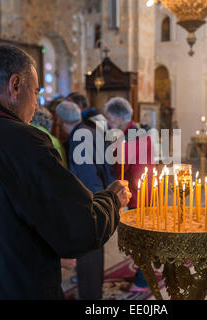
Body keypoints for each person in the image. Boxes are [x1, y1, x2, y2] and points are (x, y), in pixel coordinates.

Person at [0, 45, 131, 299]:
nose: (38, 104)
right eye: (36, 92)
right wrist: (112, 200)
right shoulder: (25, 143)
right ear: (15, 85)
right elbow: (82, 229)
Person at [55, 100, 116, 300]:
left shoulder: (79, 137)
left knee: (89, 253)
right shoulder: (91, 129)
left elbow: (85, 176)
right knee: (94, 252)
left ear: (62, 122)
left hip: (89, 201)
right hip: (101, 193)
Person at [104, 97, 156, 293]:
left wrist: (123, 194)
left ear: (119, 117)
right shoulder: (133, 132)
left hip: (139, 195)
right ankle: (142, 276)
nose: (108, 122)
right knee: (139, 238)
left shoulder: (132, 136)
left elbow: (131, 170)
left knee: (140, 239)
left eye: (109, 118)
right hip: (141, 192)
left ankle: (143, 281)